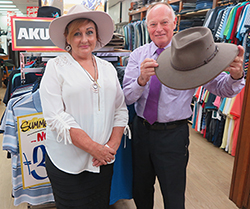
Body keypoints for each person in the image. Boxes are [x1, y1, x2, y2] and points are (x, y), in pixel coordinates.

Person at [122, 2, 245, 209]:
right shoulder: (137, 56)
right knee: (141, 191)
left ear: (175, 23)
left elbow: (222, 88)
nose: (158, 29)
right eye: (153, 24)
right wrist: (141, 81)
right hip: (141, 133)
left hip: (173, 137)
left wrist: (236, 75)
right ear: (146, 26)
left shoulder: (192, 56)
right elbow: (127, 97)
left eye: (164, 22)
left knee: (173, 195)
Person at [39, 4, 128, 209]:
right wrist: (94, 148)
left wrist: (110, 147)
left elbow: (120, 109)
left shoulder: (108, 68)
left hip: (103, 162)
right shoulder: (56, 67)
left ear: (96, 36)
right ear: (67, 38)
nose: (84, 39)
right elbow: (55, 116)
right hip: (67, 163)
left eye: (89, 32)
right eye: (77, 33)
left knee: (100, 204)